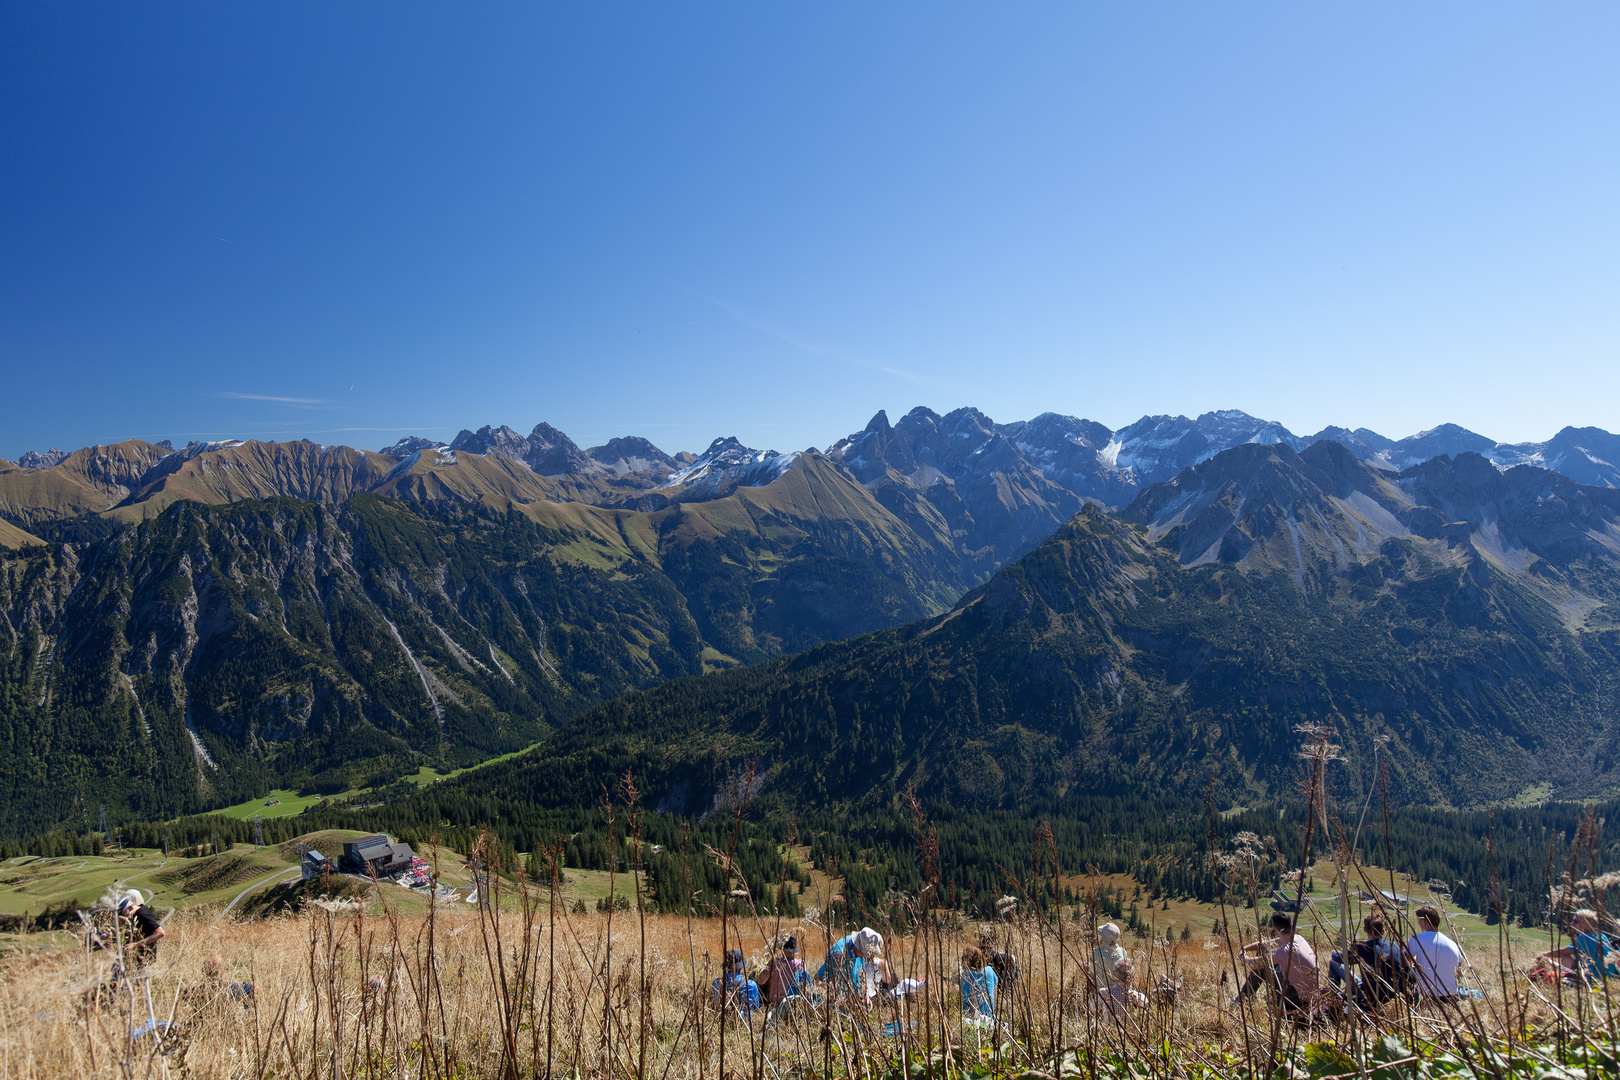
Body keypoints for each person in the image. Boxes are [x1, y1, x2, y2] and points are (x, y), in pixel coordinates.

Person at [1233, 912, 1317, 1016]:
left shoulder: (1284, 952)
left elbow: (1254, 964)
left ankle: (1244, 997)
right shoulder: (1298, 938)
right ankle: (1247, 995)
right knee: (1263, 955)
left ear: (1275, 929)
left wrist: (1243, 956)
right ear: (1291, 926)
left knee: (1261, 967)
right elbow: (1267, 944)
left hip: (1298, 998)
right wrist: (1246, 948)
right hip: (1311, 994)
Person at [1330, 914, 1409, 1010]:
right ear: (1383, 931)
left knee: (1333, 963)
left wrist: (1335, 952)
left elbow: (1337, 958)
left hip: (1370, 994)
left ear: (1365, 930)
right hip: (1393, 995)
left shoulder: (1362, 947)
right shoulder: (1395, 946)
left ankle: (1332, 997)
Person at [1538, 909, 1619, 984]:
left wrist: (1543, 955)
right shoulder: (1602, 935)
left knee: (1561, 958)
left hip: (1592, 979)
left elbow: (1562, 952)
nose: (1572, 924)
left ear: (1586, 924)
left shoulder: (1585, 938)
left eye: (1575, 921)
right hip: (1608, 979)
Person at [1406, 905, 1466, 1001]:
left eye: (1419, 920)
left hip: (1426, 996)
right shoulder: (1452, 944)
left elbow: (1404, 963)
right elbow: (1458, 974)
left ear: (1424, 921)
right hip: (1451, 996)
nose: (1418, 923)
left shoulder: (1416, 939)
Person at [817, 926, 883, 1000]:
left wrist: (866, 995)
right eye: (869, 953)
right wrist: (842, 1004)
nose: (870, 956)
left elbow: (862, 972)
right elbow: (823, 985)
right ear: (860, 949)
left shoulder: (859, 946)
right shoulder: (838, 955)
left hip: (850, 997)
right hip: (830, 1002)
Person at [117, 890, 165, 969]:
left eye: (121, 912)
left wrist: (135, 945)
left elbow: (160, 933)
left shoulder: (143, 914)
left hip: (146, 960)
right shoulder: (135, 914)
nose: (121, 915)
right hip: (137, 959)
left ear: (130, 906)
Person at [755, 935, 809, 1005]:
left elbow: (760, 981)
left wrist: (764, 969)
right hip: (794, 1004)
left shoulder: (775, 963)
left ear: (783, 949)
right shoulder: (801, 964)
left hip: (775, 1004)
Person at [712, 949, 760, 1018]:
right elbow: (755, 1008)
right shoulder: (751, 985)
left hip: (723, 1021)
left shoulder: (716, 983)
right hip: (745, 1023)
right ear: (741, 966)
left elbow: (716, 1004)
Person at [959, 947, 998, 1021]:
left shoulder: (963, 974)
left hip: (968, 1018)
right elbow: (995, 997)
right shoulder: (989, 971)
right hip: (988, 1019)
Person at [1091, 923, 1127, 990]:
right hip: (1119, 990)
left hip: (1101, 991)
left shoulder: (1096, 953)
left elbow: (1091, 973)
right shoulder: (1123, 952)